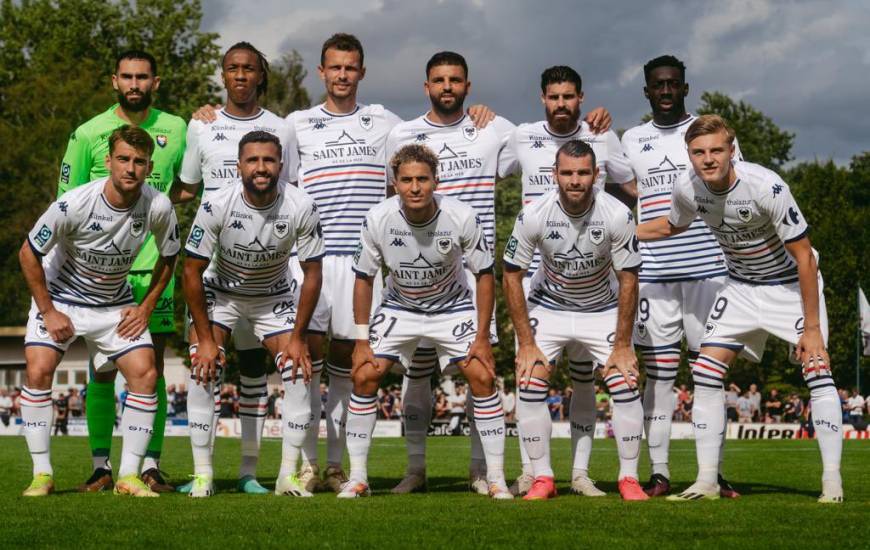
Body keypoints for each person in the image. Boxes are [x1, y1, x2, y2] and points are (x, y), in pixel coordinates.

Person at [636, 114, 843, 503]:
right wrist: (623, 231)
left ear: (732, 150)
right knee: (705, 371)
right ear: (689, 155)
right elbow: (670, 226)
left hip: (788, 287)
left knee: (816, 368)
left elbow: (805, 259)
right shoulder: (687, 187)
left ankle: (832, 482)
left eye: (716, 150)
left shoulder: (766, 186)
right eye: (699, 152)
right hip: (742, 288)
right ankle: (707, 481)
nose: (708, 159)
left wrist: (811, 328)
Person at [340, 143, 510, 499]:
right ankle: (358, 477)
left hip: (452, 307)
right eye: (406, 180)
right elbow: (363, 278)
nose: (414, 187)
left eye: (422, 179)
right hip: (401, 307)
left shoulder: (462, 215)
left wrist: (481, 336)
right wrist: (361, 340)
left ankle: (494, 477)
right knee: (365, 373)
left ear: (436, 181)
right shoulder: (378, 218)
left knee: (481, 373)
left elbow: (483, 275)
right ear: (395, 183)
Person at [19, 125, 179, 497]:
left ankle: (128, 476)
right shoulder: (73, 204)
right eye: (123, 159)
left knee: (145, 372)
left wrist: (145, 306)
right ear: (108, 161)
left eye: (139, 162)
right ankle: (42, 474)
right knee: (39, 369)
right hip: (61, 299)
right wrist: (48, 311)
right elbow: (28, 252)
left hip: (113, 304)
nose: (130, 168)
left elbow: (170, 256)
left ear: (149, 166)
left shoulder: (158, 205)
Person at [57, 50, 186, 494]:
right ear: (115, 81)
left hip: (155, 270)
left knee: (152, 366)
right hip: (101, 277)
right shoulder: (89, 133)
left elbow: (187, 186)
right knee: (101, 370)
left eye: (143, 77)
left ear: (156, 81)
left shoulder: (178, 128)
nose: (135, 84)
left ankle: (148, 465)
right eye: (127, 77)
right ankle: (100, 466)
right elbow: (66, 206)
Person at [173, 42, 296, 495]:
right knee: (203, 364)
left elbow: (293, 190)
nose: (240, 76)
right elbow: (186, 188)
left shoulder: (281, 127)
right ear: (223, 76)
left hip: (265, 270)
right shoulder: (202, 125)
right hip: (214, 268)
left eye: (248, 69)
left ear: (260, 76)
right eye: (232, 69)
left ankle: (248, 472)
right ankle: (203, 473)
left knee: (252, 369)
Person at [621, 55, 747, 497]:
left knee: (709, 376)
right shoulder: (631, 138)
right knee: (658, 377)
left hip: (709, 271)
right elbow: (620, 183)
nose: (667, 90)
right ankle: (659, 473)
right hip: (654, 274)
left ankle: (710, 473)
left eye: (674, 83)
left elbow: (736, 185)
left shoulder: (711, 135)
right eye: (659, 84)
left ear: (686, 88)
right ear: (647, 91)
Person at [502, 65, 630, 497]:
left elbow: (634, 185)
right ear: (543, 98)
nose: (561, 103)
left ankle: (580, 474)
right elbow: (483, 167)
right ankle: (533, 472)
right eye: (553, 96)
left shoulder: (604, 136)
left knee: (586, 380)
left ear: (580, 97)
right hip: (543, 278)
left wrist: (654, 229)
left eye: (568, 96)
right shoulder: (520, 135)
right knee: (530, 374)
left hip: (596, 278)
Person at [181, 130, 323, 498]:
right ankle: (203, 475)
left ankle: (286, 477)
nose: (261, 167)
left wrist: (298, 338)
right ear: (239, 165)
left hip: (271, 295)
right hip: (221, 292)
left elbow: (312, 275)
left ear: (280, 164)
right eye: (253, 160)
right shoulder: (216, 203)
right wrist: (207, 340)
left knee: (297, 372)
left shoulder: (301, 205)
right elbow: (191, 271)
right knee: (202, 366)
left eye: (269, 160)